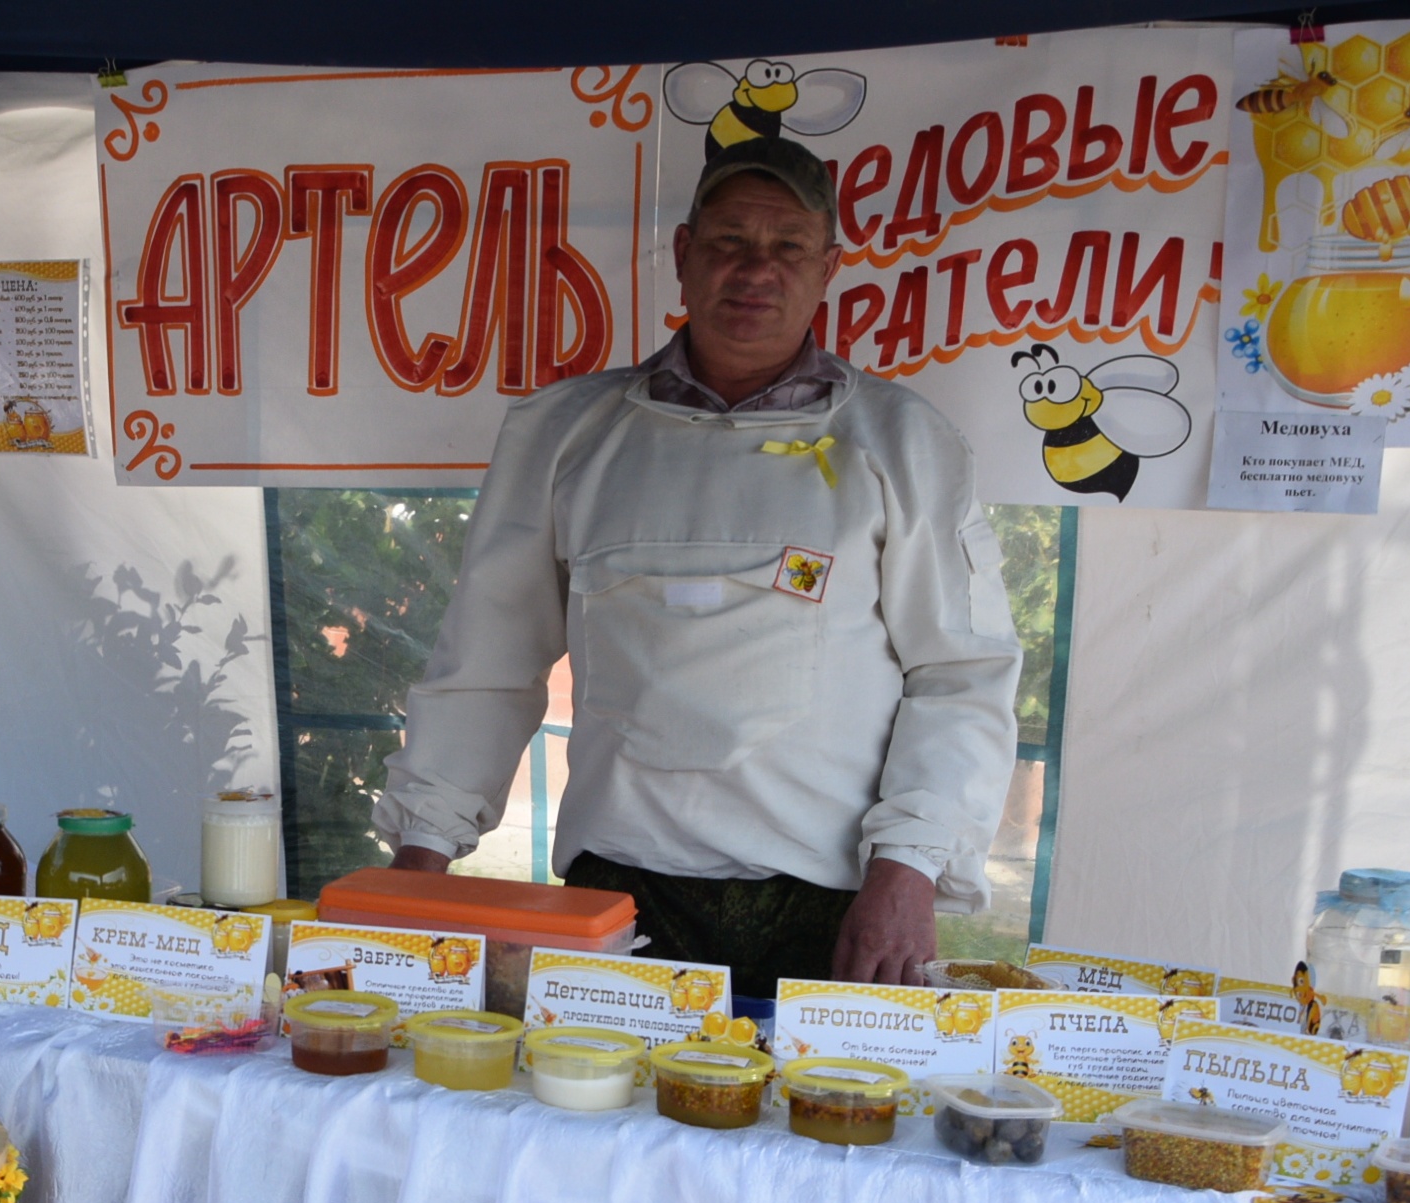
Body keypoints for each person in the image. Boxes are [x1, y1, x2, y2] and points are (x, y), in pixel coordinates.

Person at [372, 137, 1022, 994]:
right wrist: (423, 850)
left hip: (830, 900)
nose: (756, 269)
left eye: (788, 245)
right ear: (683, 255)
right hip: (622, 892)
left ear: (828, 266)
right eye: (728, 241)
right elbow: (487, 659)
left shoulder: (903, 443)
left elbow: (960, 674)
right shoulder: (565, 434)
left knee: (826, 1121)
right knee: (606, 1117)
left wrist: (909, 867)